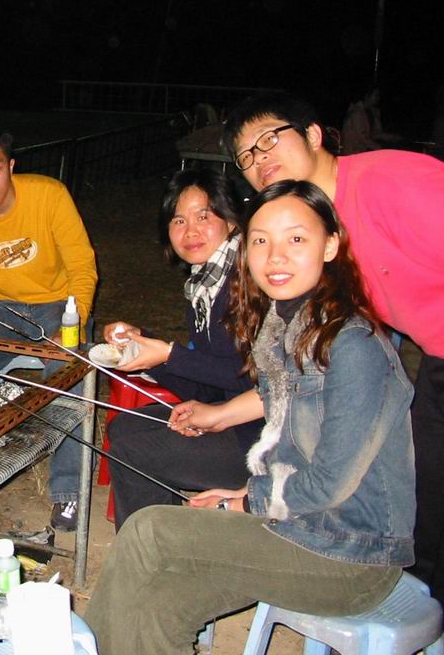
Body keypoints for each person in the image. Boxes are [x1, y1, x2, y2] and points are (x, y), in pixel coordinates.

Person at [85, 180, 415, 654]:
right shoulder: (291, 324)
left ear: (330, 246)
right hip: (298, 527)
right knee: (160, 601)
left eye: (295, 238)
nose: (275, 256)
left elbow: (329, 485)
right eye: (261, 240)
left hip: (348, 554)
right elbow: (282, 424)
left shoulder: (353, 345)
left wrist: (240, 504)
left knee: (149, 530)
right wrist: (240, 487)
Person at [223, 91, 444, 601]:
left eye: (269, 138)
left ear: (314, 135)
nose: (259, 159)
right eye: (246, 155)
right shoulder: (313, 234)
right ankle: (421, 606)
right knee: (429, 486)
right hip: (437, 353)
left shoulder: (391, 182)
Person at [0, 127, 97, 531]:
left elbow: (82, 265)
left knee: (69, 371)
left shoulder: (48, 195)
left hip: (60, 303)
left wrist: (74, 320)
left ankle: (68, 490)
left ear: (10, 166)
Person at [101, 169, 259, 529]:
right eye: (178, 220)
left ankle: (146, 547)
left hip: (259, 437)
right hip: (228, 415)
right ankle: (168, 531)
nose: (190, 232)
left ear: (231, 222)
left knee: (133, 451)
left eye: (204, 216)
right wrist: (146, 352)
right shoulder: (203, 288)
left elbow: (252, 378)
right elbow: (207, 388)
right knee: (125, 428)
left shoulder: (248, 282)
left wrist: (169, 354)